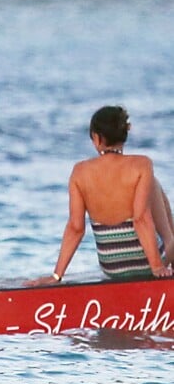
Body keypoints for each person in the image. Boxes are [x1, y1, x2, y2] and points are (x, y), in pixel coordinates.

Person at [26, 106, 174, 287]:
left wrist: (56, 275)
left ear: (97, 138)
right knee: (155, 186)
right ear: (124, 134)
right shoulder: (142, 164)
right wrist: (157, 267)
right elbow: (141, 219)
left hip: (112, 265)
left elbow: (75, 227)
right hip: (145, 263)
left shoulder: (80, 172)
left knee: (152, 184)